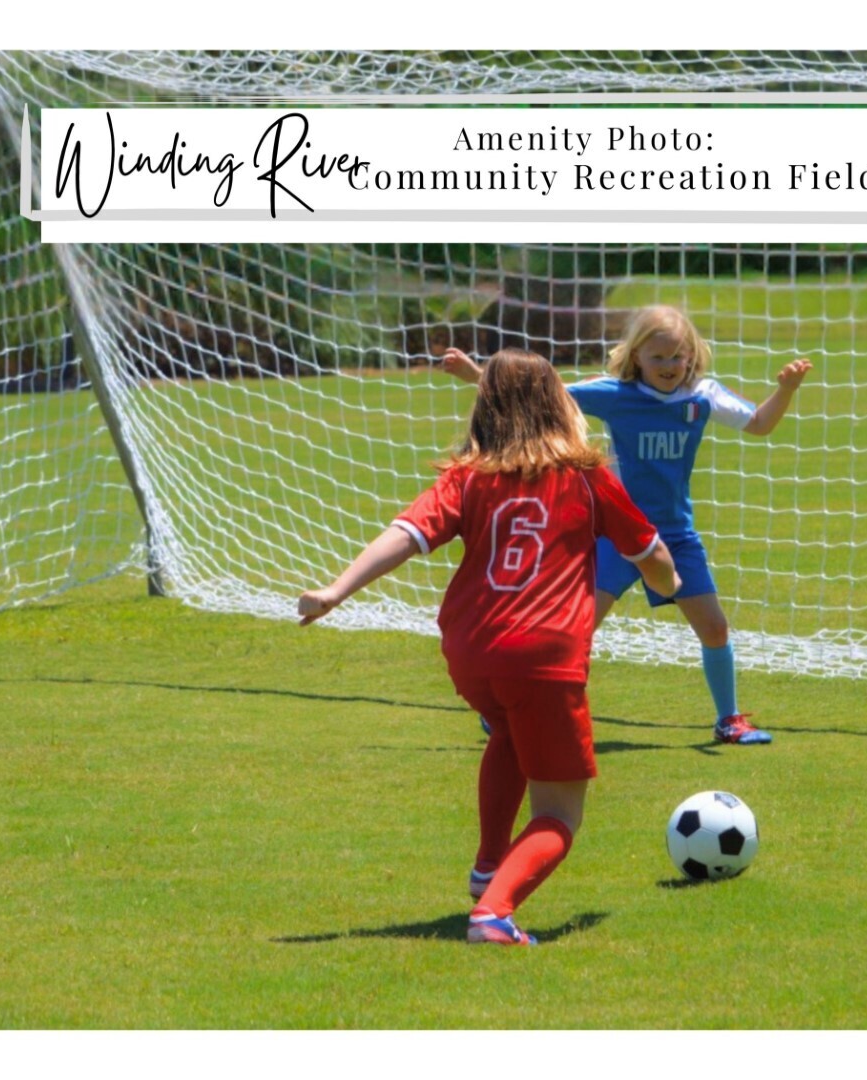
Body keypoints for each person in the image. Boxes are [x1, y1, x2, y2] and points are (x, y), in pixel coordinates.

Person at [299, 348, 679, 947]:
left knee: (506, 730)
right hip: (543, 659)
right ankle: (495, 913)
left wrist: (336, 591)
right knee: (560, 813)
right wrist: (670, 583)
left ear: (487, 409)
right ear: (558, 404)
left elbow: (406, 534)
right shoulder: (584, 475)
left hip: (472, 651)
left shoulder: (468, 477)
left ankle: (486, 868)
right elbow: (652, 555)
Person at [440, 305, 811, 745]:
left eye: (679, 356)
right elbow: (534, 394)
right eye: (659, 358)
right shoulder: (614, 394)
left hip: (674, 534)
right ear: (636, 357)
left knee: (714, 627)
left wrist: (786, 389)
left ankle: (729, 720)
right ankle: (511, 709)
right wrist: (475, 375)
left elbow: (760, 423)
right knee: (572, 629)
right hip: (614, 534)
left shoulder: (702, 396)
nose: (670, 366)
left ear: (692, 355)